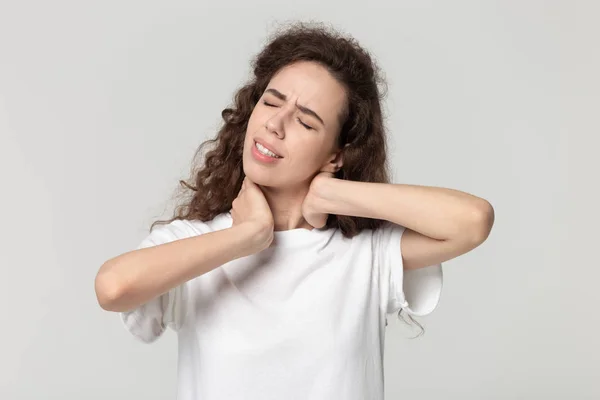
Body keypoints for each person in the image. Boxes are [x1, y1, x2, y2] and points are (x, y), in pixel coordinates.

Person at [95, 21, 494, 400]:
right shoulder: (198, 245)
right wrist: (245, 236)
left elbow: (472, 222)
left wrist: (334, 194)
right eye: (271, 102)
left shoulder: (366, 256)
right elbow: (113, 288)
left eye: (305, 122)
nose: (276, 124)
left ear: (336, 154)